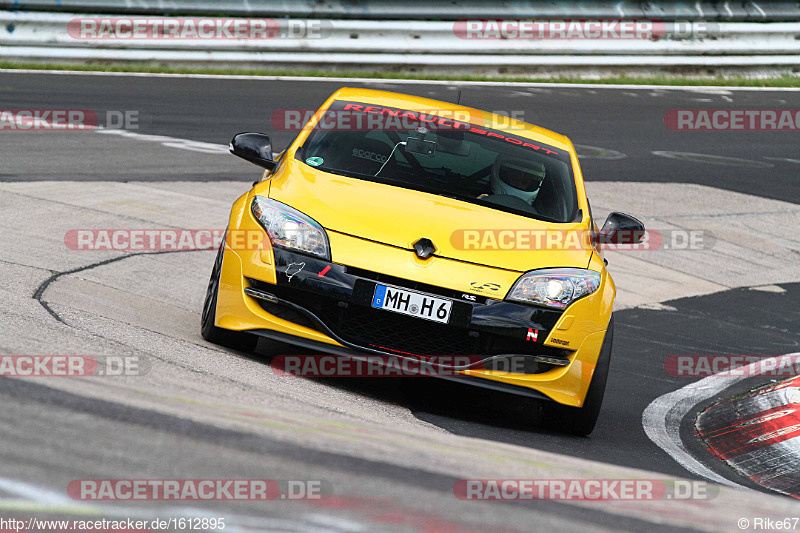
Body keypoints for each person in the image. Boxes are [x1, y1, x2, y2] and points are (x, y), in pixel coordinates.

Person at [478, 154, 546, 205]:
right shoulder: (476, 201)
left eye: (524, 182)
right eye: (515, 178)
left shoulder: (542, 218)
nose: (518, 184)